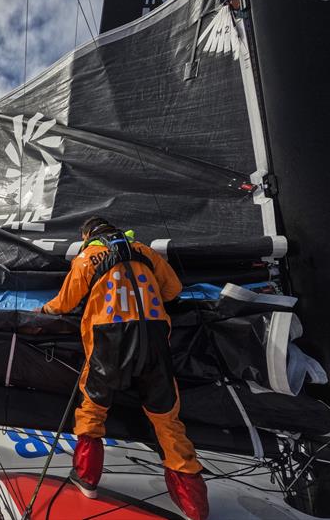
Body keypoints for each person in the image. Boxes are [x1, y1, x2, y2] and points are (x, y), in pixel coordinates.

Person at [38, 217, 209, 520]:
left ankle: (87, 479)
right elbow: (173, 291)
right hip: (155, 340)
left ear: (87, 236)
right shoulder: (144, 251)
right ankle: (194, 506)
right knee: (167, 420)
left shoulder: (87, 258)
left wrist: (43, 310)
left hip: (110, 340)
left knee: (92, 409)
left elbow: (64, 303)